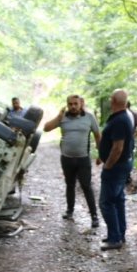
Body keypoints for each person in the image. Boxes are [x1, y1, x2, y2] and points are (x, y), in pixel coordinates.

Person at [43, 94, 100, 226]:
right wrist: (58, 116)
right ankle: (70, 211)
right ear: (67, 105)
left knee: (86, 186)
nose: (73, 106)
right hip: (67, 158)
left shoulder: (89, 117)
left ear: (80, 104)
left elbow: (97, 135)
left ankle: (94, 216)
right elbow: (46, 128)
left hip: (83, 159)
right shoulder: (62, 117)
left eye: (75, 104)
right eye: (70, 104)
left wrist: (100, 153)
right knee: (70, 185)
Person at [95, 89, 134, 250]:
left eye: (110, 98)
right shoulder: (123, 116)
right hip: (123, 165)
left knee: (106, 202)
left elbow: (117, 148)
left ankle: (115, 238)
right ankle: (119, 234)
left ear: (114, 101)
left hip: (117, 167)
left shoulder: (120, 120)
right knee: (118, 200)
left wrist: (108, 165)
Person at [125, 101, 137, 184]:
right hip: (127, 137)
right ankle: (126, 175)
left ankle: (127, 175)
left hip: (130, 137)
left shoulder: (133, 114)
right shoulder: (130, 113)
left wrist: (136, 134)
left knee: (129, 155)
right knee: (127, 155)